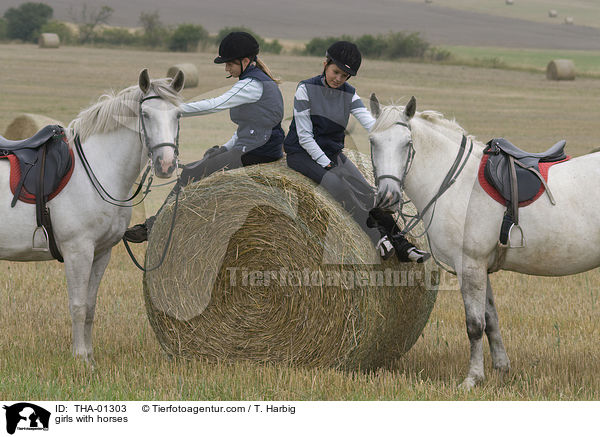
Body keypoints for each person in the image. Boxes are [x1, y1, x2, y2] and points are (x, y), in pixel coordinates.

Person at [124, 31, 285, 243]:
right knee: (202, 164)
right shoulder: (254, 81)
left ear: (246, 61)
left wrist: (172, 109)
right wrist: (226, 148)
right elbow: (247, 128)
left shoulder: (251, 85)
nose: (227, 68)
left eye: (229, 64)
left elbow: (215, 104)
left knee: (190, 173)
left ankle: (154, 227)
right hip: (258, 147)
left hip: (258, 151)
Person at [283, 41, 430, 263]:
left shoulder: (349, 94)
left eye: (345, 76)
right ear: (325, 64)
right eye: (336, 72)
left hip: (332, 154)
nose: (339, 79)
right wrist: (328, 165)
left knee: (367, 193)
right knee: (337, 185)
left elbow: (372, 125)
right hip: (301, 154)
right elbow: (305, 137)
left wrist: (392, 134)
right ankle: (376, 237)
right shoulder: (305, 89)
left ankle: (402, 245)